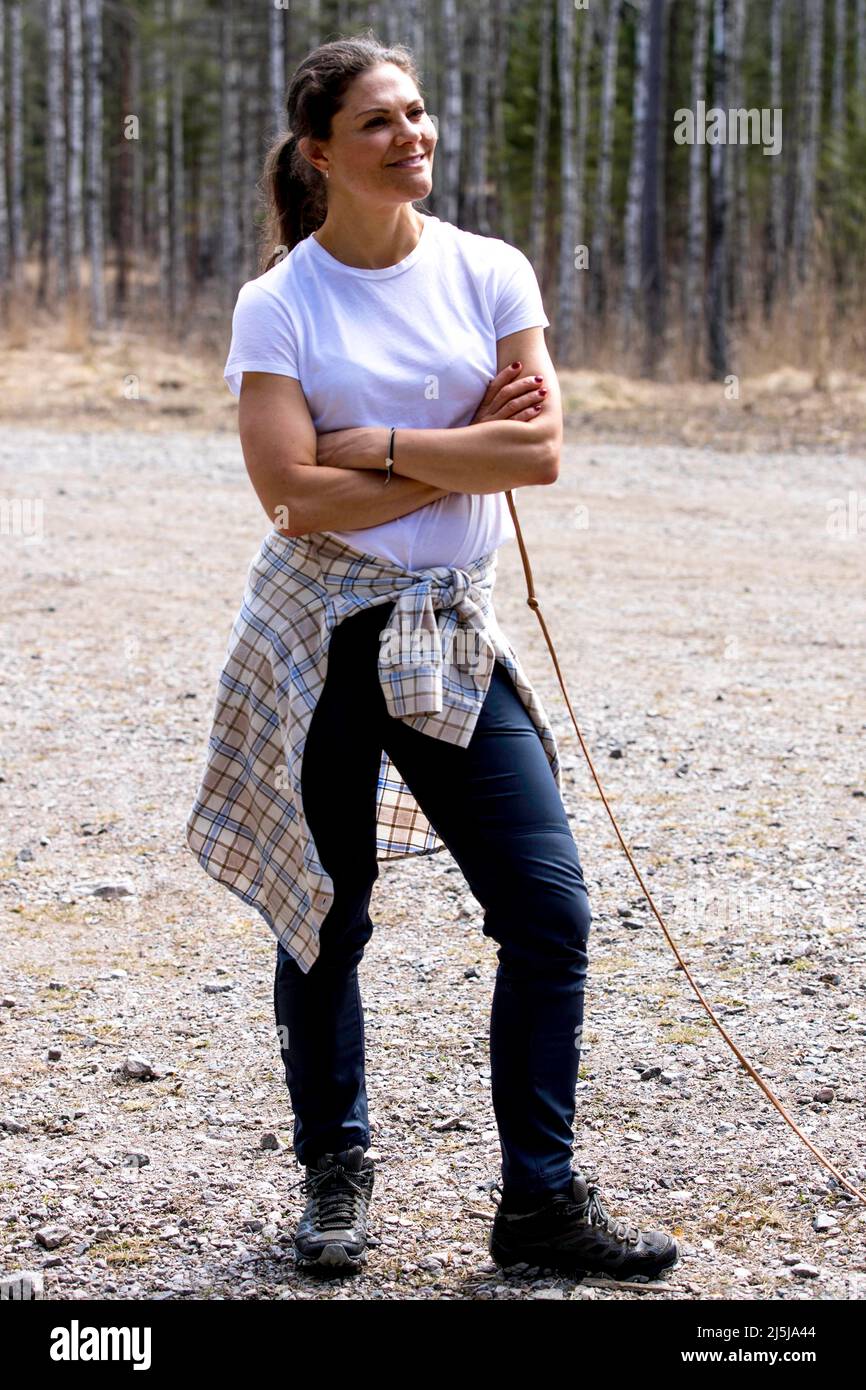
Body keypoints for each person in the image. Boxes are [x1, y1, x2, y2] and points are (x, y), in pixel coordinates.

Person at [186, 32, 679, 1284]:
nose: (412, 137)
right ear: (320, 154)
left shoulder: (489, 269)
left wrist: (377, 444)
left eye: (416, 115)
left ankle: (539, 1205)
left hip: (451, 629)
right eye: (379, 124)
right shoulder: (278, 301)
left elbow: (537, 456)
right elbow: (286, 500)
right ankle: (334, 1179)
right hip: (320, 636)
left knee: (548, 909)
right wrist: (444, 441)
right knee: (325, 921)